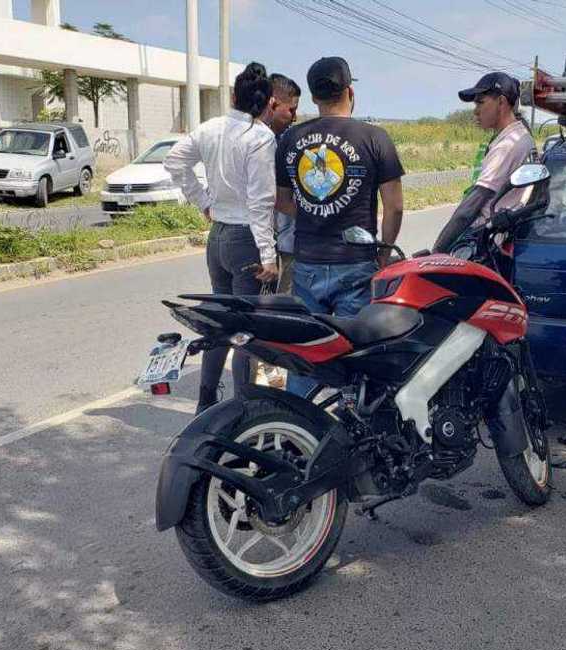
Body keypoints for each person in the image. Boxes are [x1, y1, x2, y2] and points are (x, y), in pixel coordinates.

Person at [275, 56, 405, 397]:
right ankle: (351, 434)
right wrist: (385, 253)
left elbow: (282, 200)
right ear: (350, 91)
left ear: (314, 98)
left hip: (306, 264)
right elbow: (395, 205)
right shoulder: (375, 137)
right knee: (354, 355)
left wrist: (313, 212)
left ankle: (295, 429)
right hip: (356, 262)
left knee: (306, 353)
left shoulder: (290, 139)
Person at [165, 61, 279, 414]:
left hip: (217, 238)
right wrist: (269, 254)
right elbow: (262, 201)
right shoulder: (260, 137)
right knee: (243, 329)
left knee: (219, 322)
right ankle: (243, 411)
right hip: (246, 239)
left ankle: (205, 400)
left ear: (233, 96)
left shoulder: (210, 128)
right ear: (266, 104)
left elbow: (173, 161)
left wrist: (203, 201)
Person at [433, 72, 535, 253]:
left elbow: (469, 209)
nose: (475, 110)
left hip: (487, 243)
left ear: (501, 102)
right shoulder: (518, 135)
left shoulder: (509, 144)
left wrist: (438, 250)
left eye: (481, 102)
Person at [267, 73, 302, 294]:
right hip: (257, 243)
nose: (295, 117)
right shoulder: (249, 142)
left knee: (286, 306)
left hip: (288, 243)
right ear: (272, 103)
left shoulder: (292, 141)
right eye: (291, 110)